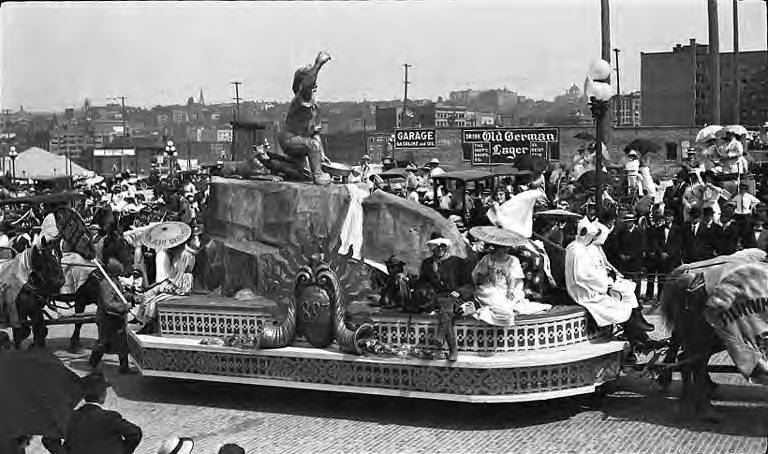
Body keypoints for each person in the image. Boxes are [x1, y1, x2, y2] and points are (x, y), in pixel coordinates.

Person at [564, 217, 656, 354]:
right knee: (619, 306)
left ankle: (638, 339)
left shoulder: (581, 248)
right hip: (583, 292)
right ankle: (639, 339)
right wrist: (604, 281)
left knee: (623, 300)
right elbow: (581, 276)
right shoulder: (576, 250)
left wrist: (608, 276)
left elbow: (597, 268)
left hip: (592, 287)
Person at [413, 233, 472, 361]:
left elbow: (469, 284)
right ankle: (450, 349)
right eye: (436, 247)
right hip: (436, 298)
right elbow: (422, 282)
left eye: (442, 246)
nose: (439, 249)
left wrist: (459, 291)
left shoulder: (457, 262)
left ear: (447, 248)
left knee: (448, 309)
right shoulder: (427, 263)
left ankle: (444, 342)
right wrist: (422, 290)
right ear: (432, 248)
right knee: (446, 308)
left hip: (454, 297)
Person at [471, 234, 551, 327]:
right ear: (495, 247)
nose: (502, 251)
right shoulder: (487, 259)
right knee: (490, 294)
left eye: (505, 248)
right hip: (491, 286)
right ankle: (499, 309)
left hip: (507, 287)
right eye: (499, 248)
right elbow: (478, 276)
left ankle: (504, 308)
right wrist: (488, 273)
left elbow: (512, 277)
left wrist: (510, 290)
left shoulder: (513, 260)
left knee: (510, 299)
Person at [61, 372, 142, 454]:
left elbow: (59, 441)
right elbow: (135, 433)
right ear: (103, 395)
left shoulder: (71, 417)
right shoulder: (110, 417)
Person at [89, 258, 134, 374]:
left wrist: (132, 298)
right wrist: (124, 307)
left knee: (123, 343)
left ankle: (124, 368)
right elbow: (109, 304)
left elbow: (120, 295)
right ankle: (93, 363)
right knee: (103, 343)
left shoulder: (115, 281)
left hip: (117, 318)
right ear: (114, 270)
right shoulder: (105, 284)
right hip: (106, 319)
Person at [646, 208, 684, 300]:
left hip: (672, 259)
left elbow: (678, 244)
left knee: (671, 280)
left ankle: (671, 299)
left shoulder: (678, 230)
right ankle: (660, 298)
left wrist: (669, 253)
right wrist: (661, 252)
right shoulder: (659, 229)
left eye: (669, 216)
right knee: (661, 280)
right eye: (666, 216)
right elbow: (656, 243)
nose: (667, 218)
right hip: (661, 258)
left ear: (673, 218)